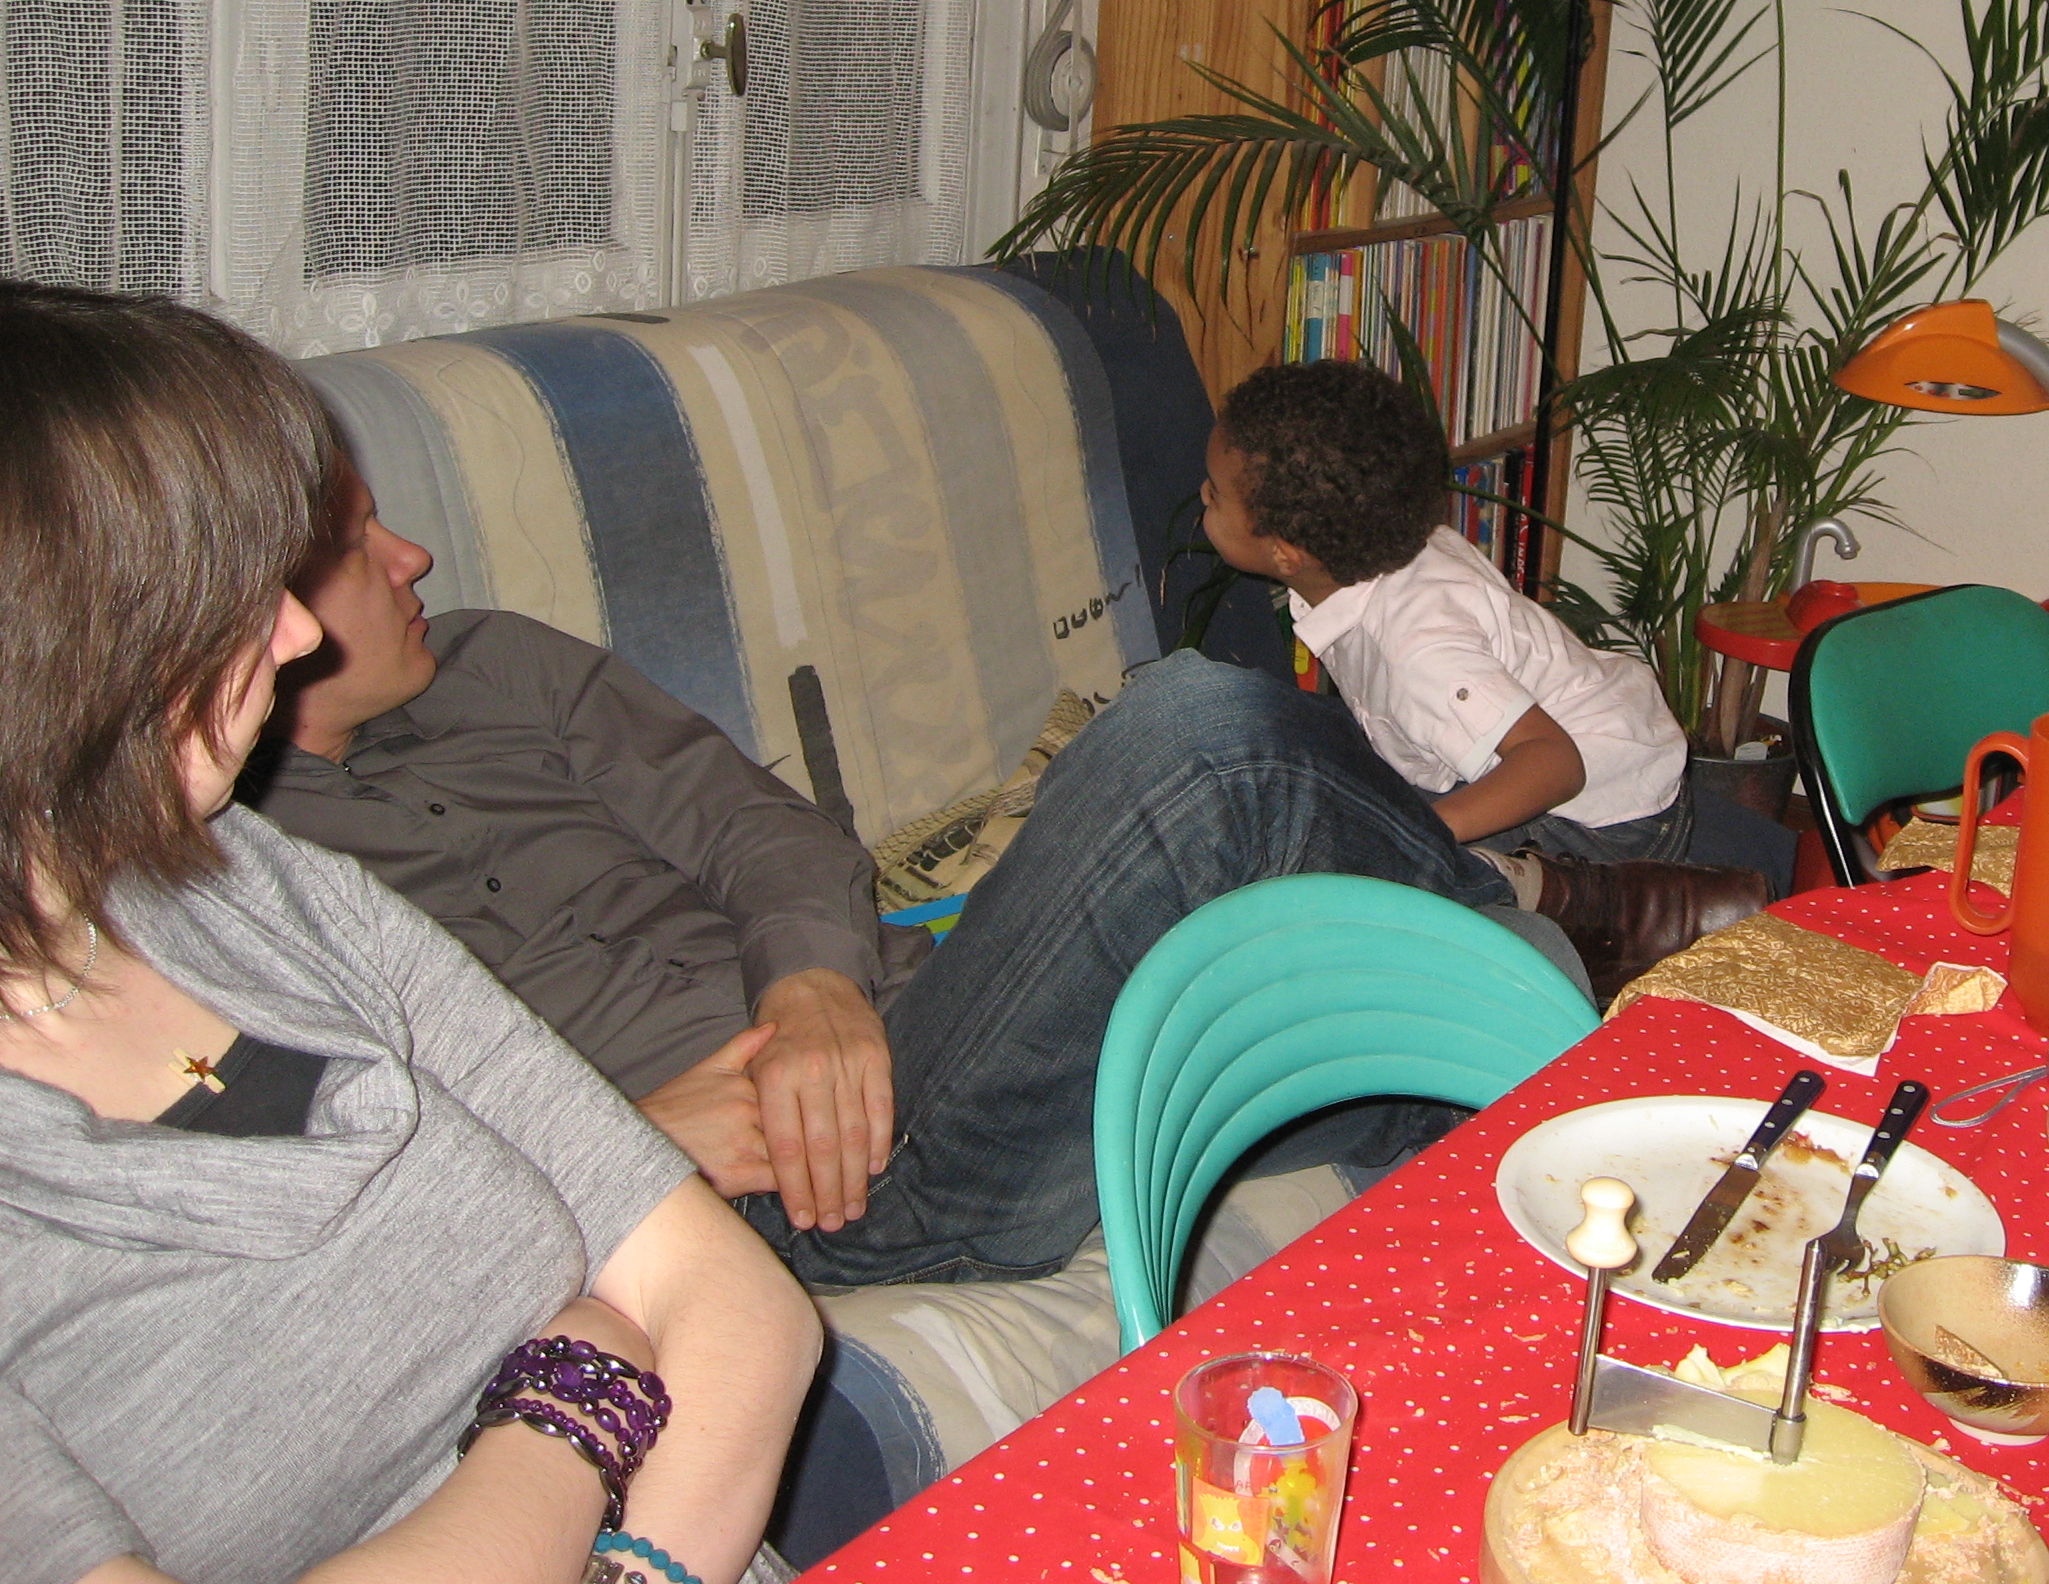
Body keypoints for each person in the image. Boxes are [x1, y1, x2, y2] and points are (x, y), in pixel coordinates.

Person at [251, 446, 1724, 1285]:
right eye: (357, 545)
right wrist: (616, 1138)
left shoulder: (497, 666)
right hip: (790, 1189)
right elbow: (327, 1172)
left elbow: (761, 830)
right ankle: (1556, 898)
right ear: (245, 609)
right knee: (1194, 732)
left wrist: (814, 982)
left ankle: (1595, 1062)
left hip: (932, 1023)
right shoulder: (222, 881)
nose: (412, 556)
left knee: (1415, 1034)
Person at [0, 281, 818, 1584]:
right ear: (56, 642)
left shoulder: (253, 884)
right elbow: (641, 1315)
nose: (296, 631)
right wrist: (570, 1404)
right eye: (224, 590)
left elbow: (739, 1309)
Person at [1202, 360, 1795, 896]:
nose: (1201, 496)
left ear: (1286, 553)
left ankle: (1619, 906)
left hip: (1602, 819)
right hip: (1595, 737)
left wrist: (1417, 834)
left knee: (1385, 881)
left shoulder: (1415, 650)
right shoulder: (1393, 548)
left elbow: (1556, 763)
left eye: (1214, 496)